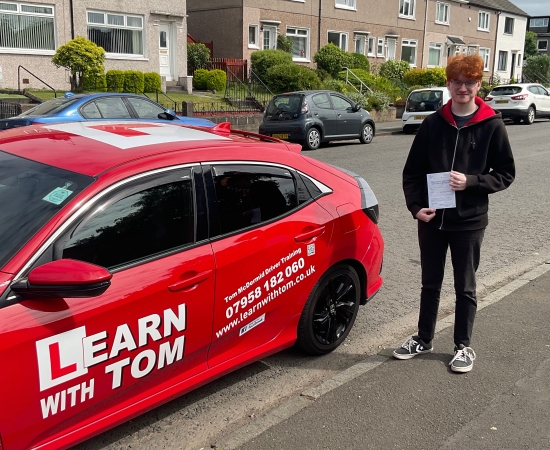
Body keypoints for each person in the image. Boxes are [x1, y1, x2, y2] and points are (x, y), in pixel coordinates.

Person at [394, 54, 515, 373]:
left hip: (469, 221)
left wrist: (472, 181)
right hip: (433, 220)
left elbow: (505, 173)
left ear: (479, 85)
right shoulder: (433, 124)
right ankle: (423, 338)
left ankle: (463, 346)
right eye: (456, 81)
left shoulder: (492, 125)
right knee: (430, 283)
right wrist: (416, 207)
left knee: (465, 286)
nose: (463, 87)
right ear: (448, 84)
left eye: (469, 82)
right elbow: (412, 172)